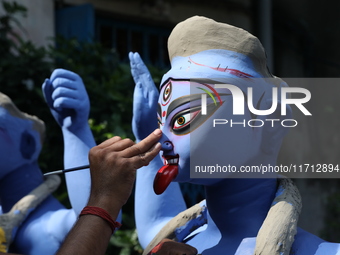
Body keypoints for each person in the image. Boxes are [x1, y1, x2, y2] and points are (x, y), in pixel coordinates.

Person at [130, 16, 340, 254]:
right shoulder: (179, 239)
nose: (161, 139)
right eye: (160, 120)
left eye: (182, 119)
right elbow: (155, 223)